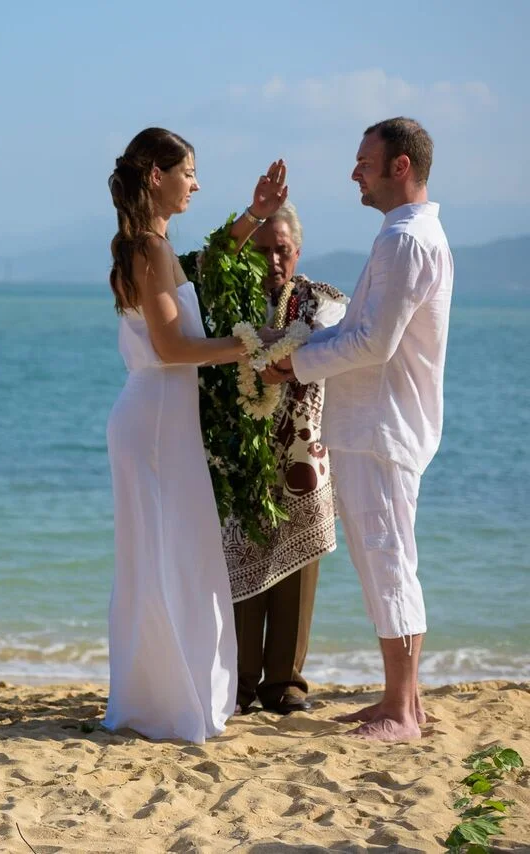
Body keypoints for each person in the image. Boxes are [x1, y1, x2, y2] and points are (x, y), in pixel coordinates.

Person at [264, 117, 453, 741]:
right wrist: (305, 343)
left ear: (401, 166)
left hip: (382, 424)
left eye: (364, 162)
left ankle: (401, 710)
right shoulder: (404, 235)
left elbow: (373, 343)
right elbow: (360, 333)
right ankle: (403, 698)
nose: (354, 173)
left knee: (389, 557)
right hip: (375, 422)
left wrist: (295, 363)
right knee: (385, 559)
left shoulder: (405, 241)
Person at [103, 127, 288, 742]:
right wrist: (247, 347)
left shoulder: (154, 246)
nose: (196, 183)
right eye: (189, 171)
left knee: (172, 553)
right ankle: (164, 702)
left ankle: (161, 696)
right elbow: (172, 346)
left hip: (160, 417)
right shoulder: (145, 250)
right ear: (157, 175)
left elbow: (203, 271)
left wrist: (253, 217)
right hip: (155, 416)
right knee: (166, 555)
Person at [227, 201, 346, 715]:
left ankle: (285, 682)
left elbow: (329, 340)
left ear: (297, 252)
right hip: (242, 451)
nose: (273, 260)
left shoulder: (323, 301)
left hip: (302, 449)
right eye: (262, 250)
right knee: (241, 559)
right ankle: (238, 681)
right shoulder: (230, 302)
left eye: (282, 250)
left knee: (297, 564)